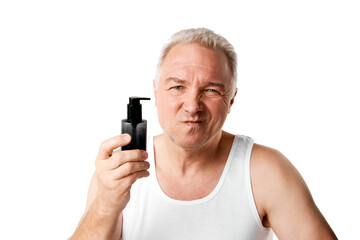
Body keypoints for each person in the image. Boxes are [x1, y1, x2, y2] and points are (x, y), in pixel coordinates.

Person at [70, 28, 337, 240]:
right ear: (156, 92)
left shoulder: (265, 172)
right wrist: (105, 204)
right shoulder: (119, 171)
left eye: (211, 90)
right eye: (177, 87)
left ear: (231, 100)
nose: (192, 106)